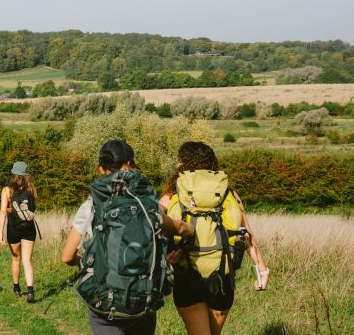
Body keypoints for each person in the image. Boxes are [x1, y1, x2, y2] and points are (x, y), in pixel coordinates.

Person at [61, 140, 195, 335]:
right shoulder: (147, 204)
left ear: (100, 168)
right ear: (130, 165)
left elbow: (67, 256)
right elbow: (178, 228)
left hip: (104, 302)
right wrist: (192, 230)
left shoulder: (92, 205)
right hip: (143, 300)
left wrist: (89, 262)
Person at [160, 141, 269, 335]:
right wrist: (261, 271)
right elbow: (247, 235)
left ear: (183, 165)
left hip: (186, 274)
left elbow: (153, 228)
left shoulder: (172, 195)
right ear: (212, 164)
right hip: (222, 275)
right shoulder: (229, 194)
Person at [0, 160, 38, 303]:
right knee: (27, 260)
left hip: (13, 229)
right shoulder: (32, 189)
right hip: (29, 229)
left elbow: (3, 212)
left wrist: (0, 233)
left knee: (16, 259)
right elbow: (34, 208)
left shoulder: (7, 190)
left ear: (13, 174)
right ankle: (31, 291)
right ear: (26, 175)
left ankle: (16, 288)